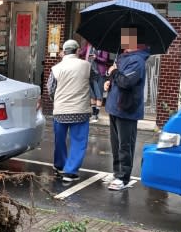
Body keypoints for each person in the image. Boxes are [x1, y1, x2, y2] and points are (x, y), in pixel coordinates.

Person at [103, 26, 150, 191]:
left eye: (127, 38)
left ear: (135, 42)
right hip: (115, 106)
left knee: (125, 144)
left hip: (127, 108)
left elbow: (126, 82)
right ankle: (117, 173)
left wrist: (114, 73)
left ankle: (123, 176)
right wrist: (109, 81)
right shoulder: (124, 56)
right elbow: (118, 79)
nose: (124, 42)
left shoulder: (137, 60)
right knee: (116, 144)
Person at [47, 39, 92, 183]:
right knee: (78, 141)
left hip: (60, 110)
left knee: (60, 140)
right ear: (78, 51)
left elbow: (50, 89)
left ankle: (59, 165)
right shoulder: (87, 65)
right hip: (80, 110)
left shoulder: (56, 68)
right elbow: (95, 80)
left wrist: (57, 99)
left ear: (64, 52)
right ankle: (70, 171)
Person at [78, 40, 110, 123]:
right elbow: (81, 53)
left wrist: (96, 58)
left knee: (98, 94)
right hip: (90, 72)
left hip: (100, 73)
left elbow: (105, 59)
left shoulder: (104, 47)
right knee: (92, 94)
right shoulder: (88, 46)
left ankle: (96, 115)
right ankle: (93, 113)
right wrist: (75, 51)